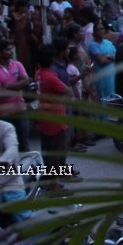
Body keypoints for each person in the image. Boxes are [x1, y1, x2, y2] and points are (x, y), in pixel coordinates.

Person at [34, 46, 77, 191]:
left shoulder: (39, 73)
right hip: (55, 120)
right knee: (55, 153)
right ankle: (53, 184)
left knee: (48, 151)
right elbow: (69, 92)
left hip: (44, 117)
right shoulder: (50, 77)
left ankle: (50, 181)